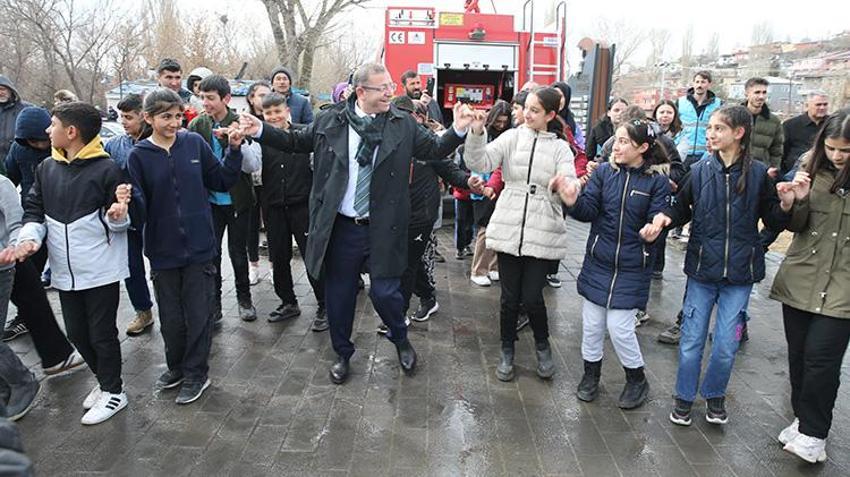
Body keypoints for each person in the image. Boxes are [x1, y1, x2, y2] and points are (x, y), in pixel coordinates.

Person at [238, 62, 473, 385]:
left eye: (391, 86)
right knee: (340, 295)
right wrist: (260, 130)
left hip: (384, 226)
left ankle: (401, 338)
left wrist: (457, 130)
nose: (390, 93)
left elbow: (433, 148)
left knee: (386, 293)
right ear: (361, 92)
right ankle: (342, 353)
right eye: (383, 88)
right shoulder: (330, 120)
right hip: (342, 227)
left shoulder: (402, 123)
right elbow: (296, 141)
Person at [648, 105, 793, 427]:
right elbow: (681, 207)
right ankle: (684, 397)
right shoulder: (699, 170)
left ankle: (715, 395)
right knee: (691, 341)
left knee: (727, 344)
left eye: (718, 128)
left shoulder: (758, 174)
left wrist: (785, 205)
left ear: (738, 133)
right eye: (710, 128)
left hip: (740, 275)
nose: (710, 134)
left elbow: (773, 219)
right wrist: (664, 218)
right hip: (702, 271)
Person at [16, 101, 132, 425]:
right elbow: (34, 210)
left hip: (100, 270)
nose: (47, 130)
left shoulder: (107, 169)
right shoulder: (46, 168)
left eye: (52, 124)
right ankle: (104, 380)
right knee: (78, 335)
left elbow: (120, 217)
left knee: (101, 334)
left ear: (71, 132)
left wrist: (117, 216)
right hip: (65, 271)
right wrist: (29, 238)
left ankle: (114, 391)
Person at [127, 88, 245, 404]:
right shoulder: (138, 156)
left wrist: (234, 151)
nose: (174, 123)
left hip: (199, 248)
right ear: (148, 118)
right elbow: (139, 210)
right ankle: (176, 367)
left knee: (198, 315)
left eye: (178, 116)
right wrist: (123, 204)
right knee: (171, 318)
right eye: (166, 117)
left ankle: (196, 374)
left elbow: (221, 180)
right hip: (162, 251)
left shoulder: (193, 143)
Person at [463, 86, 576, 382]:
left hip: (543, 226)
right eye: (526, 108)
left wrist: (566, 188)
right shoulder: (511, 137)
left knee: (533, 296)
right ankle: (506, 349)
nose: (527, 114)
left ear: (550, 115)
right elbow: (480, 162)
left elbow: (570, 181)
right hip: (509, 222)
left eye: (535, 110)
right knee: (509, 298)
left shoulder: (560, 147)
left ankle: (542, 346)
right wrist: (476, 132)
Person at [556, 119, 671, 409]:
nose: (615, 147)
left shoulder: (656, 181)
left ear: (642, 148)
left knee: (620, 328)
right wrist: (572, 201)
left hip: (633, 266)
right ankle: (590, 376)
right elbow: (588, 210)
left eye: (623, 142)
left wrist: (654, 229)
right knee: (592, 325)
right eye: (615, 140)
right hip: (599, 261)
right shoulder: (604, 173)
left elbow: (660, 214)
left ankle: (636, 379)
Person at [769, 109, 850, 464]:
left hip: (843, 285)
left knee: (822, 360)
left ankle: (815, 433)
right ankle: (803, 420)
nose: (837, 156)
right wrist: (794, 201)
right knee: (799, 357)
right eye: (831, 148)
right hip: (802, 278)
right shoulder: (809, 167)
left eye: (845, 150)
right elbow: (795, 226)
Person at [385, 95, 478, 329]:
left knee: (406, 264)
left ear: (417, 118)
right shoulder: (388, 139)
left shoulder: (427, 142)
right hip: (395, 214)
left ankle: (398, 315)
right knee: (409, 261)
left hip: (421, 215)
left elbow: (450, 170)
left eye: (409, 116)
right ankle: (428, 297)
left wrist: (469, 182)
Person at [189, 75, 261, 324]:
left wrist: (234, 143)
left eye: (211, 98)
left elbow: (252, 165)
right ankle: (214, 303)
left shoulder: (241, 123)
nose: (205, 103)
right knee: (212, 254)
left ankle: (244, 299)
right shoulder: (197, 125)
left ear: (226, 99)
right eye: (203, 98)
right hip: (209, 202)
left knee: (238, 253)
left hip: (238, 200)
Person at [258, 92, 326, 330]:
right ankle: (288, 301)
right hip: (274, 206)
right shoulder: (260, 139)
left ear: (287, 110)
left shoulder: (303, 135)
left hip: (303, 206)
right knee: (278, 257)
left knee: (312, 256)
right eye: (268, 113)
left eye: (277, 111)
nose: (273, 116)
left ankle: (325, 304)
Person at [104, 94, 155, 336]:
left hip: (154, 214)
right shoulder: (114, 145)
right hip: (126, 216)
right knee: (131, 267)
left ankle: (174, 310)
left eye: (128, 117)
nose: (123, 122)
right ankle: (143, 311)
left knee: (161, 266)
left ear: (143, 117)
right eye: (121, 116)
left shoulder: (156, 142)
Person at [0, 174, 42, 422]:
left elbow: (18, 225)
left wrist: (12, 249)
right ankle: (4, 389)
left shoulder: (2, 185)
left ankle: (24, 382)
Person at [469, 100, 511, 287]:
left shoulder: (510, 135)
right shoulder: (483, 134)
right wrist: (481, 186)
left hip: (502, 188)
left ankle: (494, 267)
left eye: (504, 122)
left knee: (500, 229)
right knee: (485, 230)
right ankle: (478, 269)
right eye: (498, 121)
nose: (501, 125)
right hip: (484, 188)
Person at [245, 81, 272, 284]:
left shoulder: (272, 119)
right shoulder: (243, 120)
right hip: (249, 181)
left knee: (273, 224)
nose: (265, 99)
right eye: (261, 95)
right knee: (250, 225)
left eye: (268, 95)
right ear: (251, 98)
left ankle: (274, 265)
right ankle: (253, 265)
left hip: (271, 179)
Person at [677, 70, 722, 168]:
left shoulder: (718, 104)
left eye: (703, 82)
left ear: (709, 84)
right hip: (683, 153)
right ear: (693, 83)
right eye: (697, 82)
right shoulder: (680, 103)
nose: (699, 85)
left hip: (706, 154)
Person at [782, 92, 829, 177]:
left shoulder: (832, 124)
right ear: (807, 106)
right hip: (795, 173)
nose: (822, 107)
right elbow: (782, 152)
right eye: (818, 105)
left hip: (824, 174)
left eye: (825, 104)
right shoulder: (790, 125)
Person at [0, 75, 32, 170]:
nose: (0, 93)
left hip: (21, 163)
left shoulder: (27, 109)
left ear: (10, 89)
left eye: (2, 89)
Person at [551, 81, 585, 150]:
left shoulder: (573, 125)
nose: (557, 100)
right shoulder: (543, 120)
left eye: (560, 96)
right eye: (554, 96)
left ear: (566, 99)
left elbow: (580, 148)